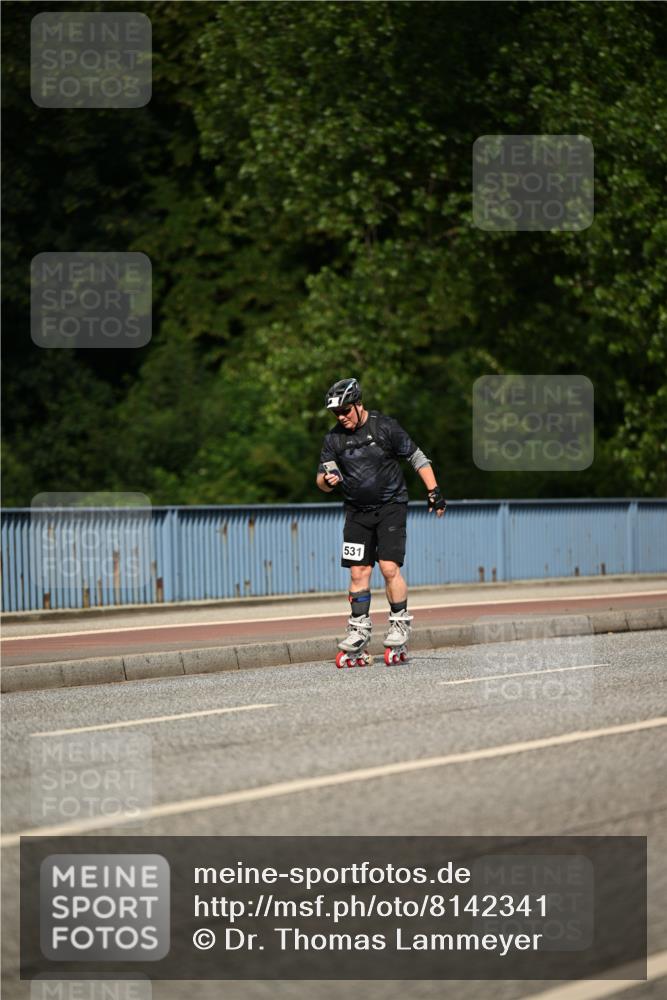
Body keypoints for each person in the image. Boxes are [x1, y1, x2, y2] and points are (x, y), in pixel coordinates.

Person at [316, 377, 446, 665]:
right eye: (336, 413)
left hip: (391, 507)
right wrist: (327, 481)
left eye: (345, 410)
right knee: (358, 573)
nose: (341, 417)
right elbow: (321, 481)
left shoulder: (384, 427)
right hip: (356, 512)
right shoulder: (333, 439)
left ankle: (399, 623)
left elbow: (417, 457)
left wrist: (434, 492)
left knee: (388, 567)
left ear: (358, 404)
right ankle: (358, 631)